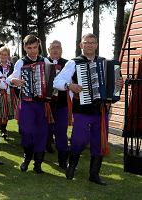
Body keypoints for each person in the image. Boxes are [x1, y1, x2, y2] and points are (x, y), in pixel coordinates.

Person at [53, 33, 123, 185]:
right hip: (82, 109)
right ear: (81, 45)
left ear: (96, 45)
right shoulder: (74, 63)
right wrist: (69, 85)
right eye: (87, 42)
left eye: (93, 42)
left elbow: (116, 85)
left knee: (99, 141)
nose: (90, 45)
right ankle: (72, 166)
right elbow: (57, 81)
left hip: (101, 109)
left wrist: (118, 86)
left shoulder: (105, 62)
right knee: (79, 139)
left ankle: (94, 174)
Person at [7, 35, 52, 174]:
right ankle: (27, 157)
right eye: (29, 48)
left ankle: (38, 164)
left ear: (39, 46)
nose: (32, 51)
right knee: (26, 132)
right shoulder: (21, 62)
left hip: (42, 103)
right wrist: (14, 80)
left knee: (42, 133)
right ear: (25, 48)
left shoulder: (45, 61)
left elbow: (52, 80)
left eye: (34, 47)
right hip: (26, 102)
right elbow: (10, 78)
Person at [46, 40, 70, 169]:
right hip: (45, 104)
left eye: (58, 47)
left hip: (62, 104)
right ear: (48, 50)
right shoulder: (42, 62)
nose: (55, 50)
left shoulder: (68, 64)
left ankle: (62, 160)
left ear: (61, 50)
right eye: (53, 48)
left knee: (61, 131)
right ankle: (39, 155)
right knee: (44, 130)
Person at [0, 46, 18, 140]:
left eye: (5, 54)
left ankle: (4, 129)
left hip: (10, 90)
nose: (3, 56)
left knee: (7, 110)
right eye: (1, 54)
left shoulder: (12, 66)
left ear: (8, 55)